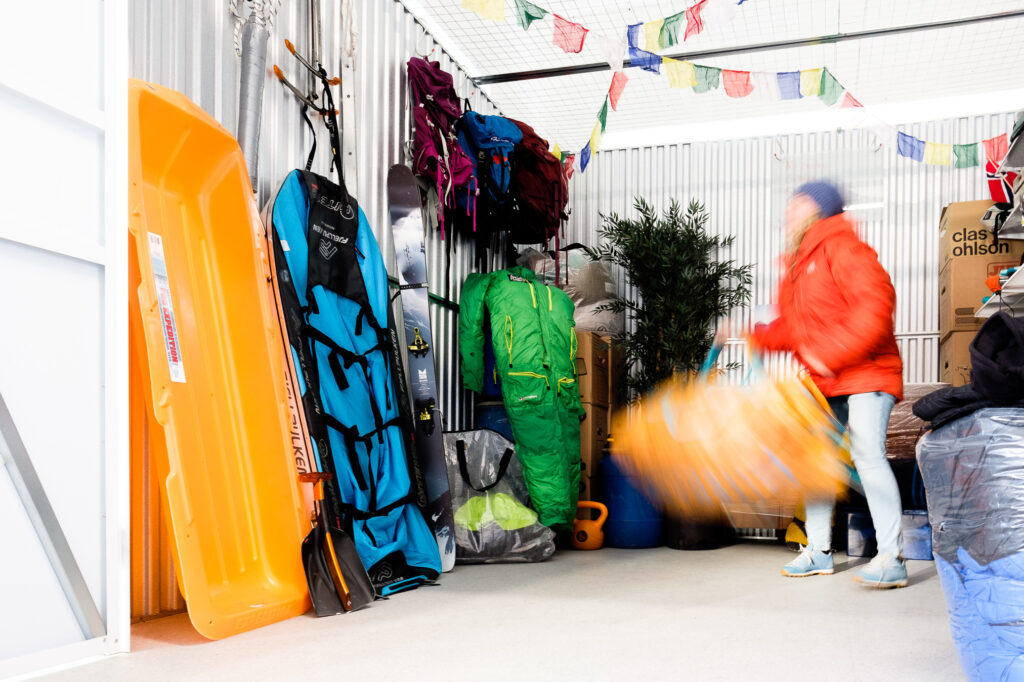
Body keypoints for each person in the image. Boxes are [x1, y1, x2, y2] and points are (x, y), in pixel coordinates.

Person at [753, 181, 907, 589]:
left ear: (820, 210)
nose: (789, 210)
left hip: (867, 371)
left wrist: (831, 353)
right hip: (826, 380)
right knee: (816, 463)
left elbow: (876, 308)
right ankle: (819, 551)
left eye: (798, 203)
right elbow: (792, 329)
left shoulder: (844, 246)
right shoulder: (797, 266)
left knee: (866, 455)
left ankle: (891, 556)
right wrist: (751, 334)